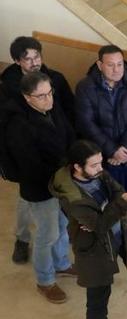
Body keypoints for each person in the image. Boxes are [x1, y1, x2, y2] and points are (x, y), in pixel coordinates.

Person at [2, 71, 75, 303]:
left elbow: (68, 135)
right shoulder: (19, 126)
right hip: (40, 189)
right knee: (47, 235)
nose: (49, 99)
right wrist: (65, 172)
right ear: (27, 97)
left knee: (62, 225)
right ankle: (45, 281)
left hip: (62, 182)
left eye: (50, 92)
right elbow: (30, 167)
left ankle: (62, 263)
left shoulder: (51, 109)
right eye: (41, 96)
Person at [50, 140, 127, 319]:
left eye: (101, 162)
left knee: (104, 291)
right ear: (77, 167)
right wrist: (120, 204)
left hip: (107, 240)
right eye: (94, 165)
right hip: (93, 251)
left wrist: (106, 213)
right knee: (97, 302)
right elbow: (100, 225)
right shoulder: (74, 199)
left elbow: (117, 190)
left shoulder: (95, 173)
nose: (101, 168)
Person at [74, 45, 127, 252]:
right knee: (107, 197)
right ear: (99, 65)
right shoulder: (85, 87)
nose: (117, 70)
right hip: (102, 155)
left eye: (120, 64)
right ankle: (113, 234)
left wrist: (124, 148)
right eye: (110, 65)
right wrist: (111, 151)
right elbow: (86, 124)